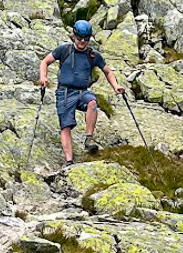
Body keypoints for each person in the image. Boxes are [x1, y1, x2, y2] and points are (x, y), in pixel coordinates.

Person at [37, 18, 123, 165]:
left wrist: (116, 87)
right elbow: (45, 61)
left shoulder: (93, 55)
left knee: (92, 101)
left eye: (86, 39)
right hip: (64, 92)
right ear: (74, 36)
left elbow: (108, 71)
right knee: (66, 126)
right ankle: (69, 161)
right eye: (80, 38)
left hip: (82, 91)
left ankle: (89, 138)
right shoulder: (64, 50)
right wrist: (43, 77)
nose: (83, 41)